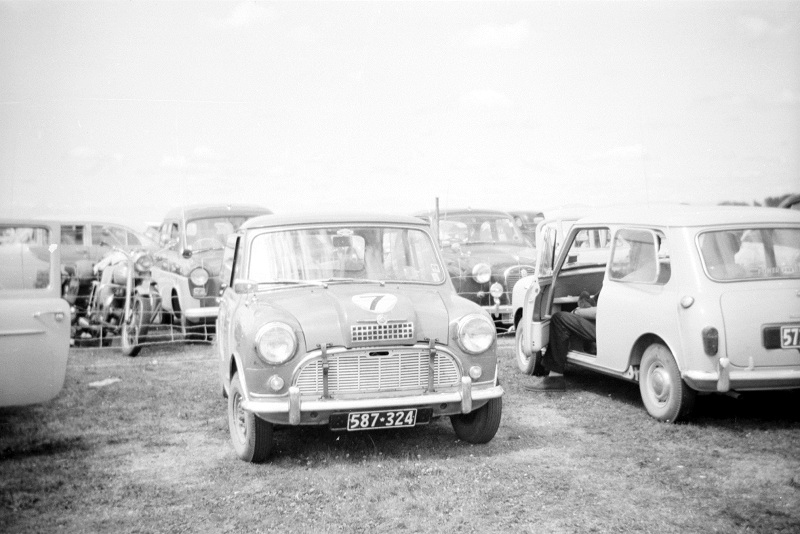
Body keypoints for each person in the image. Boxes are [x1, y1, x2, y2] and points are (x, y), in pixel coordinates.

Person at [523, 290, 597, 392]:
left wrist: (577, 311)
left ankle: (555, 377)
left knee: (559, 319)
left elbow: (601, 312)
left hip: (603, 327)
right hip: (604, 325)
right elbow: (595, 303)